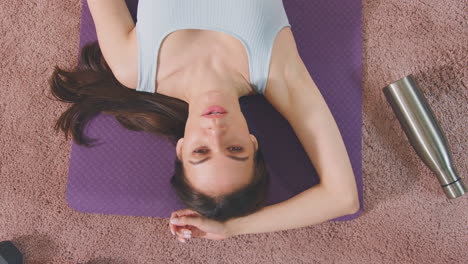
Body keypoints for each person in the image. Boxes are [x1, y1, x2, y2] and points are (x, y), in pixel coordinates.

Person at [49, 0, 359, 243]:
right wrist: (231, 228)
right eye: (235, 148)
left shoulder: (135, 68)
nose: (215, 132)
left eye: (201, 152)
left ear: (182, 149)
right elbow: (343, 197)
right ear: (253, 141)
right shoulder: (276, 70)